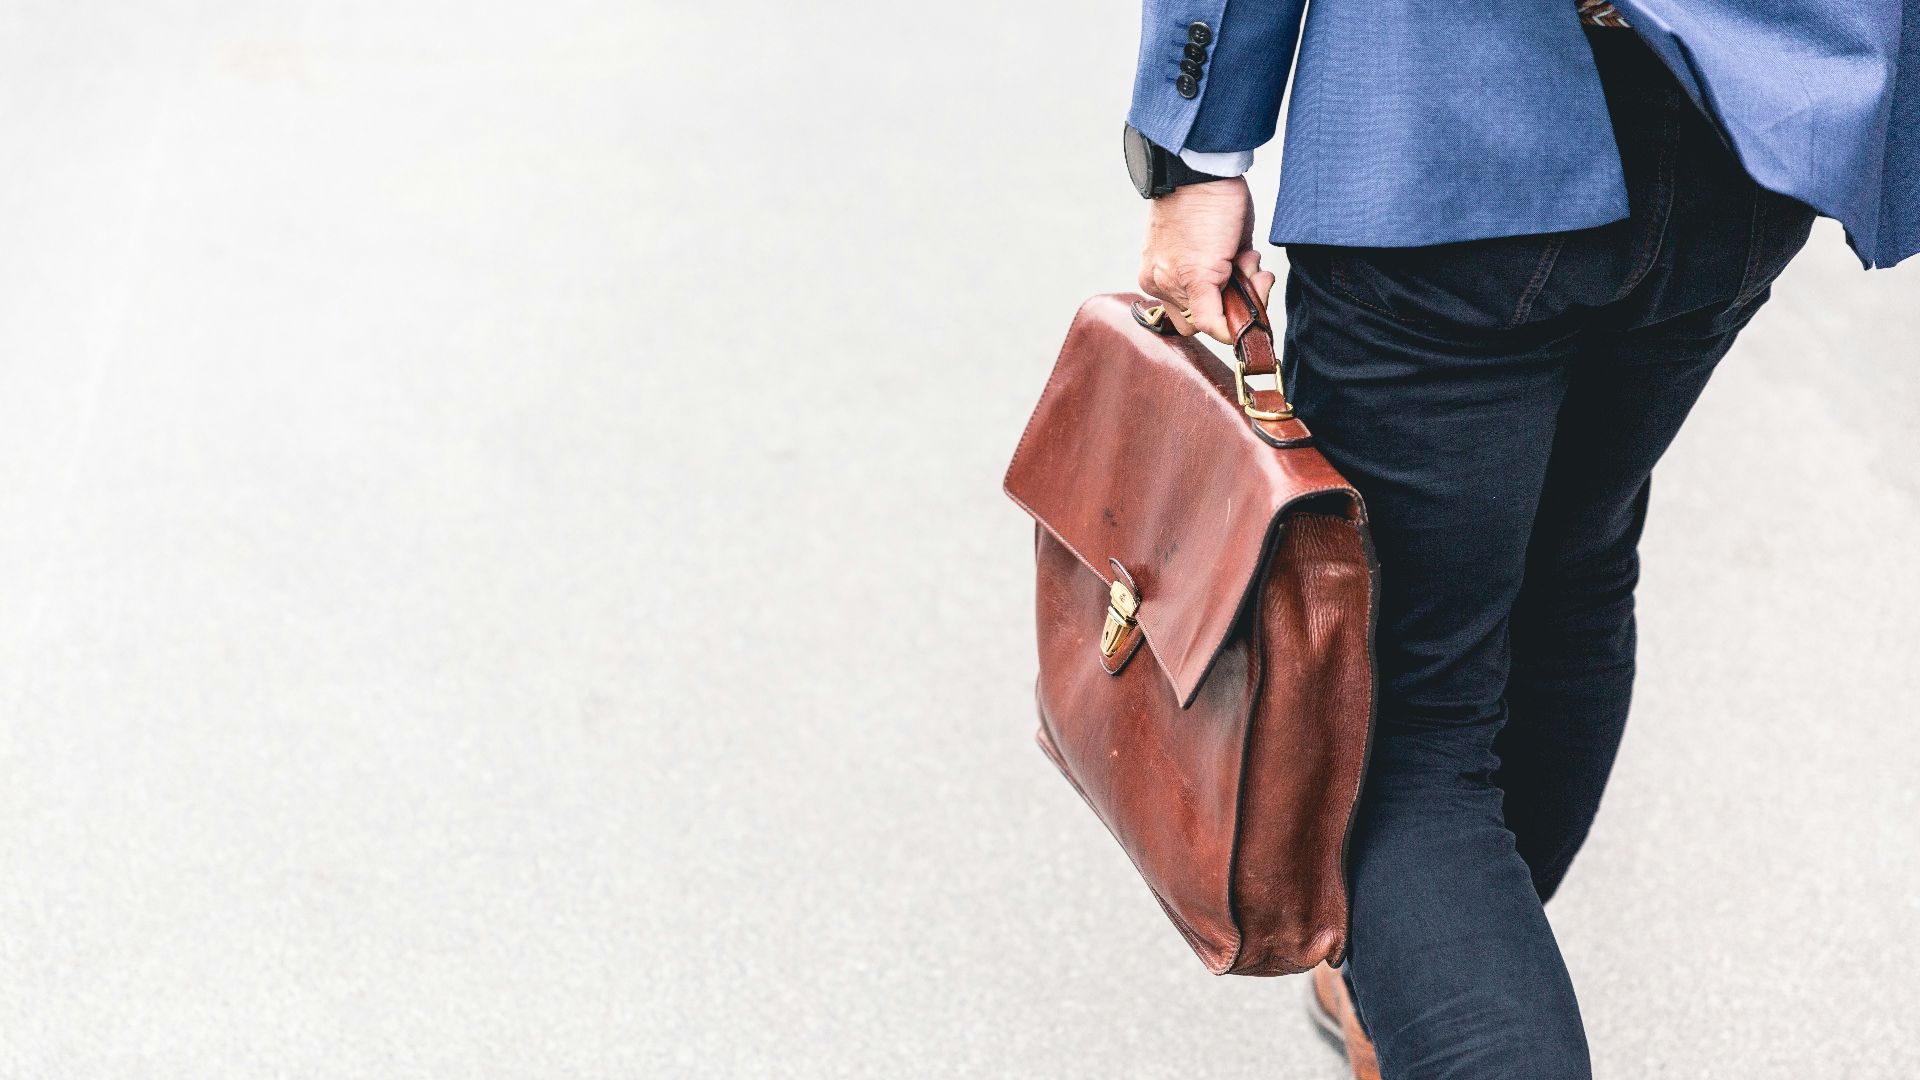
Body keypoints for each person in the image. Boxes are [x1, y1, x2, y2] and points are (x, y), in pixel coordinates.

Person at [1119, 1, 1916, 1077]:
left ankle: (1442, 973)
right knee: (1572, 565)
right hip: (1746, 132)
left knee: (1395, 721)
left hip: (1453, 126)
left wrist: (1197, 152)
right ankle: (1433, 961)